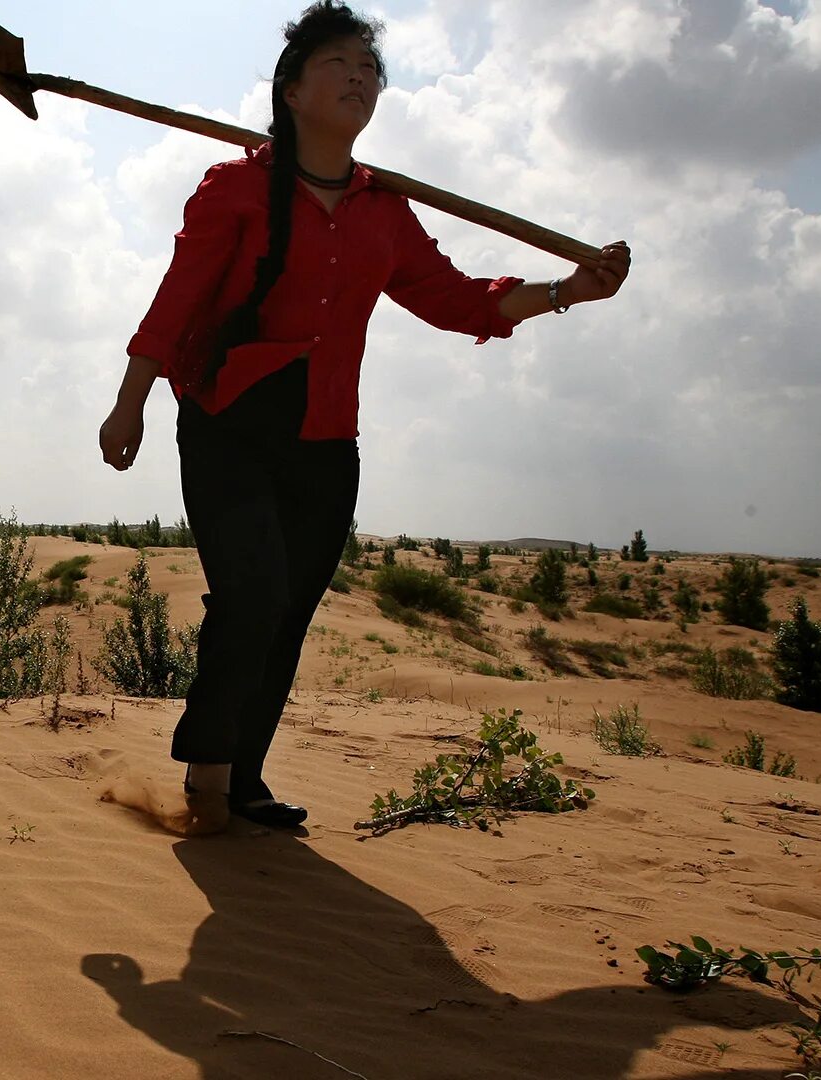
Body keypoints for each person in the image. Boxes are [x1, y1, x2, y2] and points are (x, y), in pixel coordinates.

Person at [97, 2, 630, 832]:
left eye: (370, 69)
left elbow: (455, 300)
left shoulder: (385, 209)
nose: (359, 77)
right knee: (253, 592)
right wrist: (128, 402)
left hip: (325, 434)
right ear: (291, 89)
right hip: (230, 419)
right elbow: (176, 303)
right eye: (339, 64)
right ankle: (206, 780)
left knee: (289, 608)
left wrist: (567, 291)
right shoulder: (236, 187)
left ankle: (245, 778)